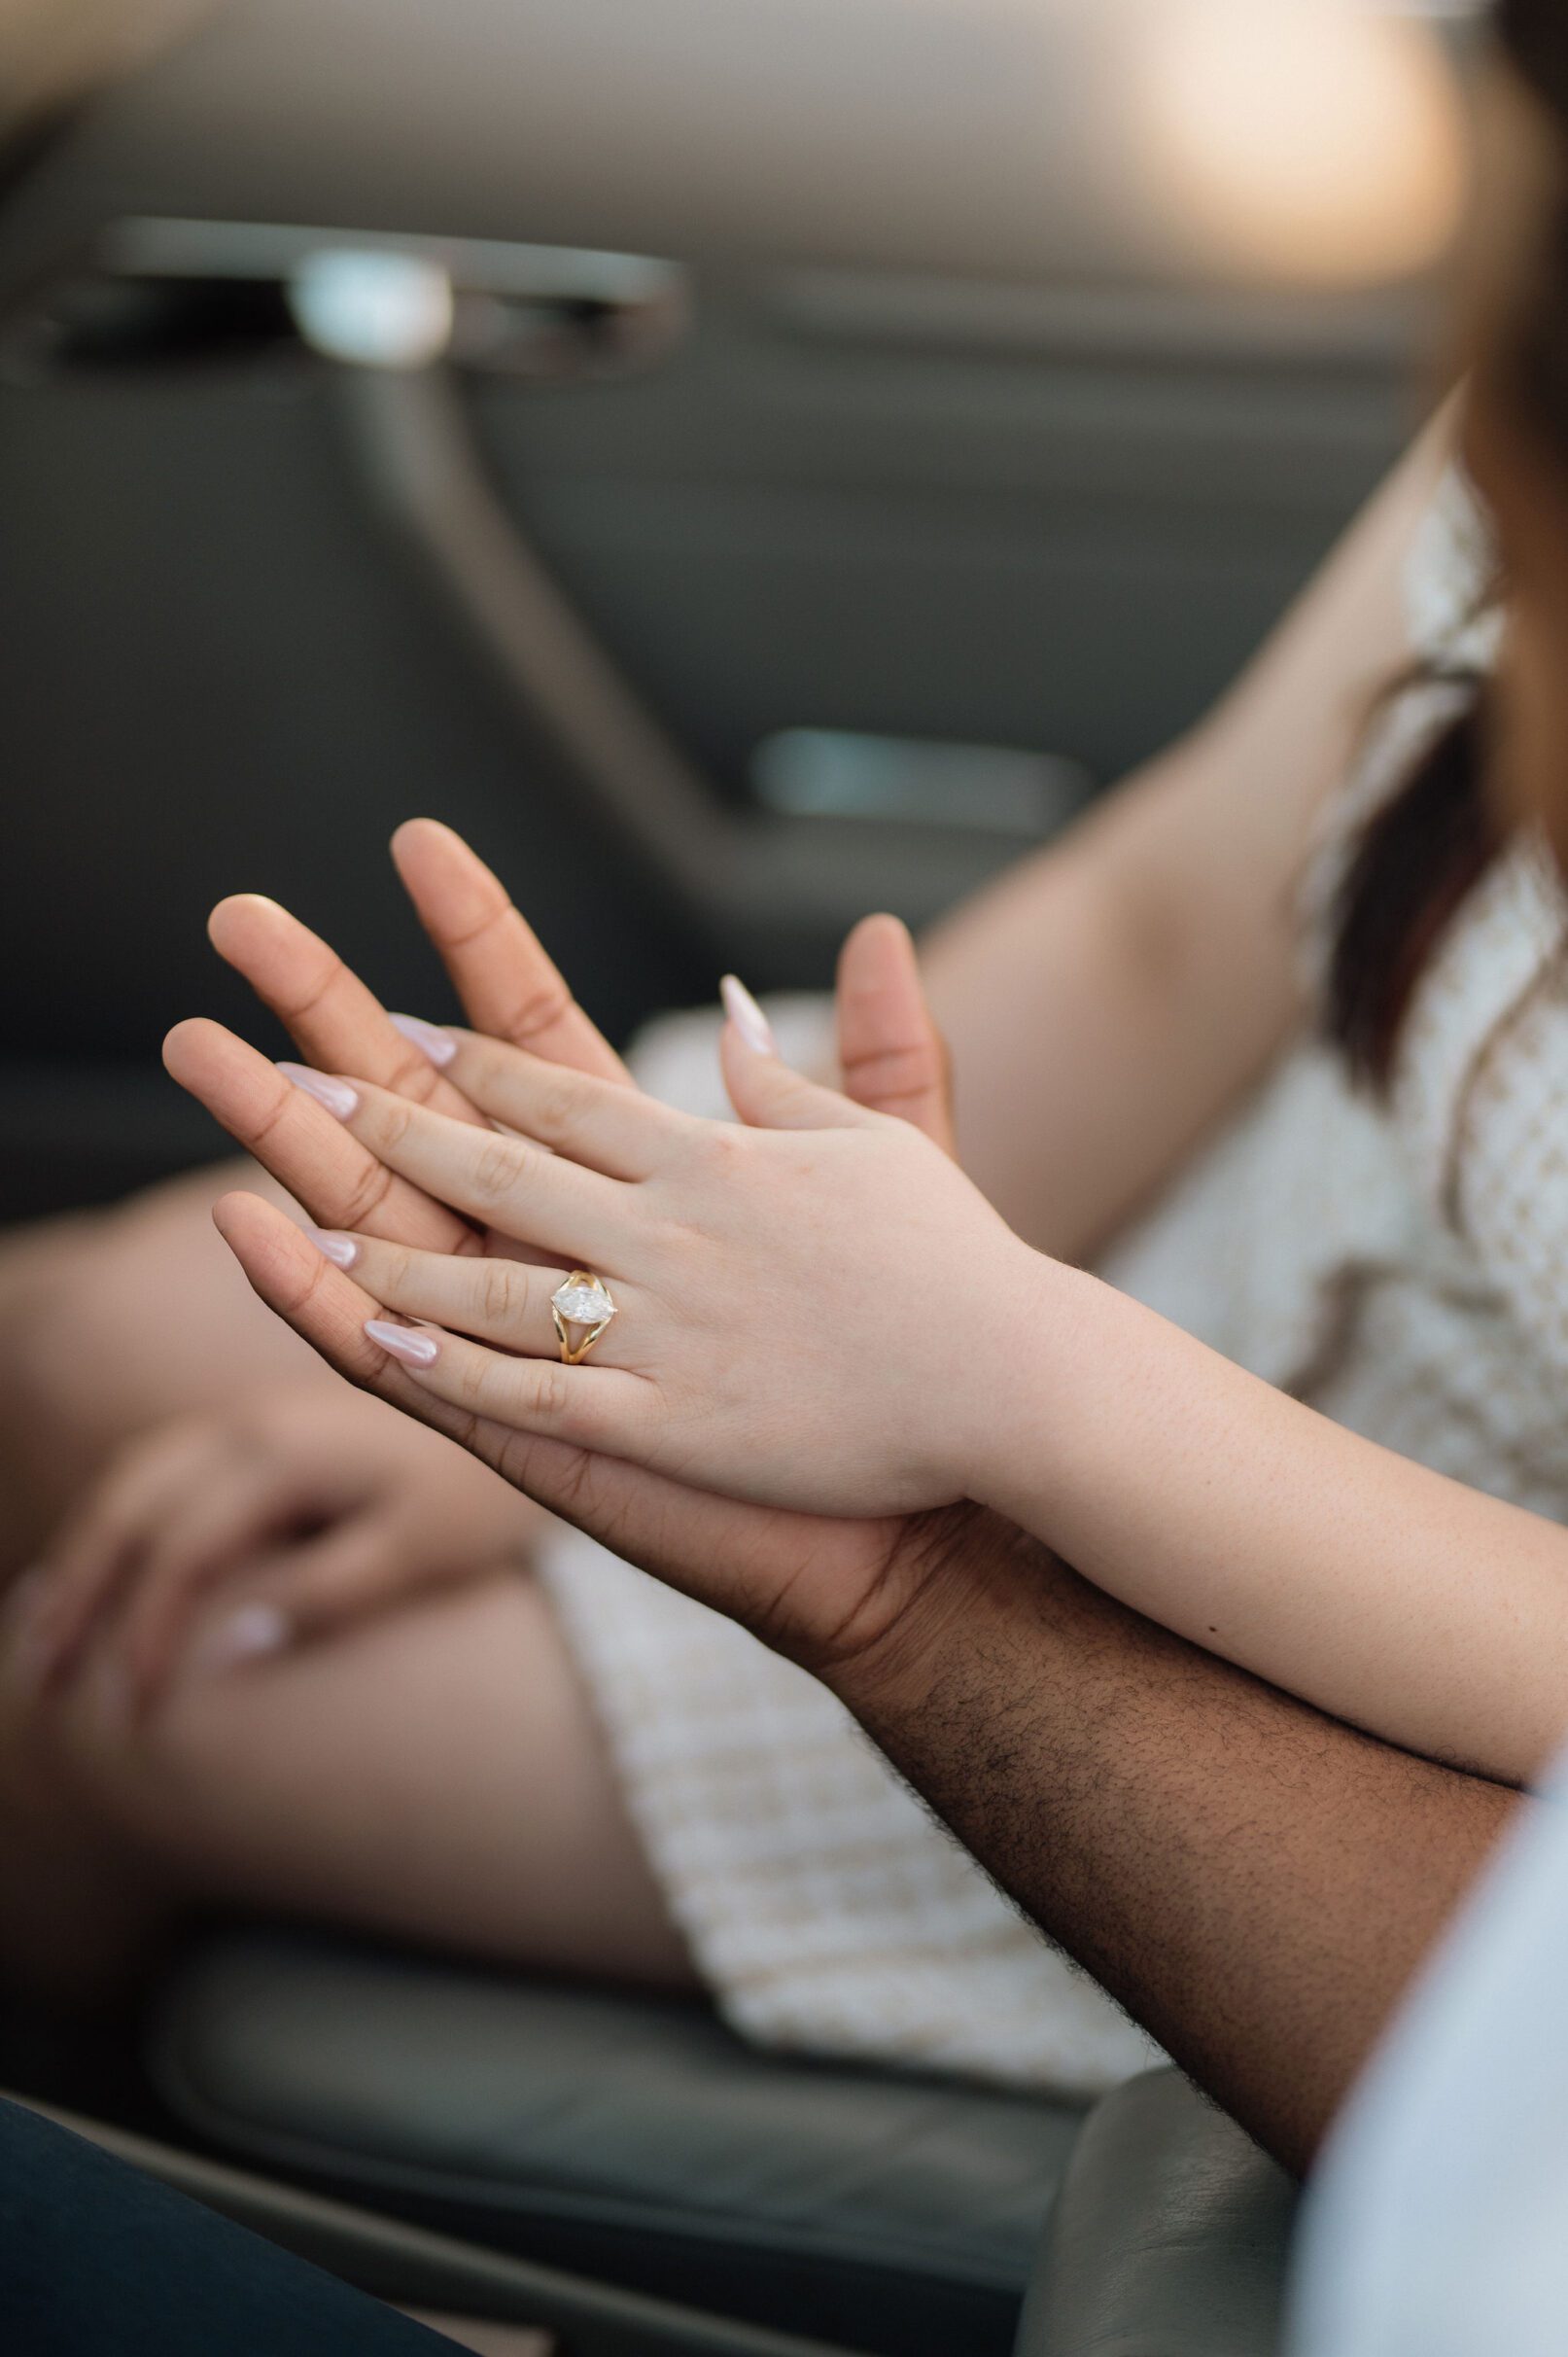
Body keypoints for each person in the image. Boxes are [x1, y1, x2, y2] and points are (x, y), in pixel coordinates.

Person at [0, 0, 1545, 2112]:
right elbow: (1158, 930)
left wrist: (986, 1382)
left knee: (119, 1708)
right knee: (73, 1353)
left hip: (1361, 1655)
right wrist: (602, 1363)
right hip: (1122, 1261)